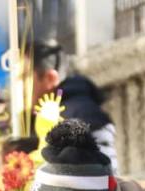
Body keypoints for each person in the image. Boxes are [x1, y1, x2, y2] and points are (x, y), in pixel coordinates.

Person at [33, 42, 119, 173]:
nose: (16, 88)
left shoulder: (83, 114)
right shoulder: (45, 114)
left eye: (23, 77)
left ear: (50, 78)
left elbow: (106, 175)